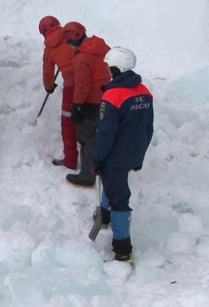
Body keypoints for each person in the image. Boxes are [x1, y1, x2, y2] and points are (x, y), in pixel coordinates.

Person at [92, 47, 154, 264]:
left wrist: (96, 159)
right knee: (113, 183)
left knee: (119, 197)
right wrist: (139, 155)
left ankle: (123, 248)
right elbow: (148, 128)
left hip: (115, 156)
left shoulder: (112, 95)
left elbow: (105, 134)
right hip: (133, 153)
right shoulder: (144, 91)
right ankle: (105, 215)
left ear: (116, 68)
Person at [62, 21, 111, 188]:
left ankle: (87, 175)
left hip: (91, 102)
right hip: (108, 98)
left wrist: (77, 105)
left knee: (86, 138)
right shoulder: (100, 47)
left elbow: (82, 84)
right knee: (102, 136)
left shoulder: (82, 57)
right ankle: (102, 169)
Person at [40, 16, 78, 170]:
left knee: (68, 121)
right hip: (90, 79)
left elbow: (48, 72)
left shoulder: (49, 48)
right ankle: (93, 159)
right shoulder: (70, 34)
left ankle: (70, 159)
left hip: (71, 85)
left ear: (43, 32)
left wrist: (49, 86)